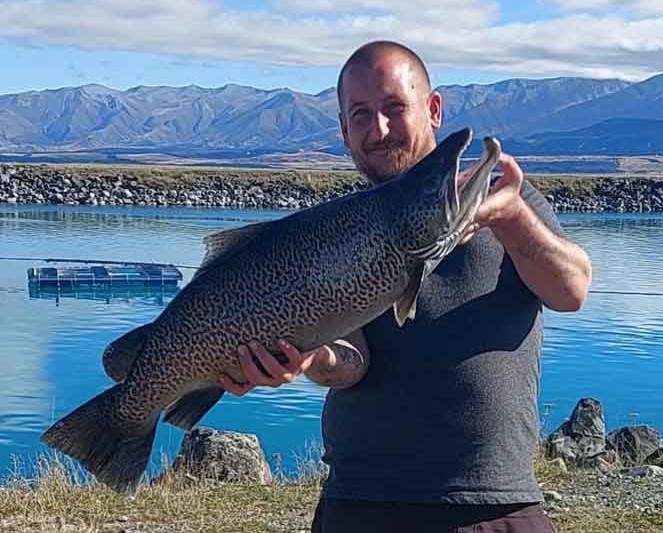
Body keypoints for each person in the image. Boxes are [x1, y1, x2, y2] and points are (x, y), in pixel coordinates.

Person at [219, 41, 592, 532]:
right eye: (361, 115)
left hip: (493, 503)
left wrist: (515, 220)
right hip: (363, 504)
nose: (379, 130)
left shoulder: (503, 195)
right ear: (344, 130)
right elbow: (352, 364)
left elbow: (572, 289)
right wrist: (309, 358)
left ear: (432, 109)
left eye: (395, 108)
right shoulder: (338, 233)